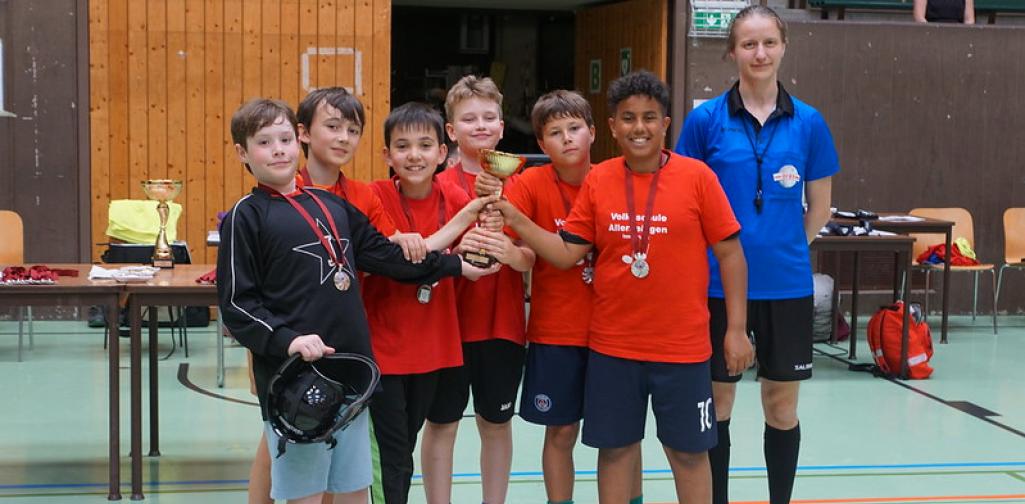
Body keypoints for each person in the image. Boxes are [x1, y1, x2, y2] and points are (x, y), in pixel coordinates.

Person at [489, 70, 749, 504]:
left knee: (687, 453)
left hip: (682, 349)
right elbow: (567, 253)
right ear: (612, 127)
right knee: (616, 450)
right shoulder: (600, 179)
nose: (639, 127)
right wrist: (516, 220)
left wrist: (736, 328)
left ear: (666, 123)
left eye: (650, 117)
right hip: (612, 348)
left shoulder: (698, 177)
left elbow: (731, 254)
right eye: (628, 118)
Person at [219, 98, 493, 504]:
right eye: (263, 142)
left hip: (353, 374)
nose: (277, 149)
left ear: (297, 141)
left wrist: (456, 267)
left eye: (282, 139)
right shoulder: (247, 215)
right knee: (306, 492)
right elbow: (238, 305)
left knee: (353, 490)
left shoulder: (334, 206)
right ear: (243, 153)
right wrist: (287, 340)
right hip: (298, 378)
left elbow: (390, 259)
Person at [674, 6, 839, 504]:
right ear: (731, 52)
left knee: (781, 406)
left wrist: (784, 249)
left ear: (784, 46)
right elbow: (686, 201)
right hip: (718, 288)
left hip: (787, 288)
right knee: (718, 403)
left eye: (768, 42)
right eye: (748, 44)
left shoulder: (809, 122)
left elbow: (821, 206)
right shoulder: (705, 121)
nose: (759, 53)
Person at [473, 89, 642, 504]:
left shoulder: (615, 180)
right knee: (562, 430)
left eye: (574, 128)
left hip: (616, 334)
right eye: (554, 132)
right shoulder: (529, 183)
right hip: (556, 332)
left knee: (622, 435)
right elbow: (521, 250)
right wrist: (508, 249)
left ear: (593, 132)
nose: (567, 138)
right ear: (541, 143)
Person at [362, 102, 498, 504]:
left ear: (443, 153)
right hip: (383, 350)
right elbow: (393, 262)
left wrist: (479, 246)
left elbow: (476, 255)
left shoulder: (455, 195)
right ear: (387, 155)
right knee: (391, 458)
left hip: (435, 350)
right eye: (402, 147)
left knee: (406, 446)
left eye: (425, 145)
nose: (414, 155)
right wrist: (453, 262)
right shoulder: (374, 197)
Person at [421, 75, 535, 504]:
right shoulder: (434, 184)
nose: (481, 125)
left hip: (502, 325)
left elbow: (532, 259)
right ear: (451, 131)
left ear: (503, 127)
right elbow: (423, 255)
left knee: (496, 423)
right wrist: (456, 250)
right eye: (469, 119)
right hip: (446, 327)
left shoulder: (521, 185)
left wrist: (509, 251)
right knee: (443, 423)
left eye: (489, 117)